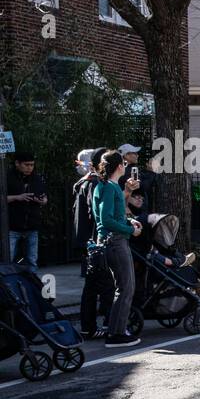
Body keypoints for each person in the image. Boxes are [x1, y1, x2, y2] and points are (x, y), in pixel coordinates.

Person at [91, 150, 143, 348]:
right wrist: (130, 229)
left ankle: (117, 330)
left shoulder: (108, 186)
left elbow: (112, 215)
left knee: (124, 287)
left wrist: (130, 221)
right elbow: (105, 220)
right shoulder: (108, 187)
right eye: (123, 162)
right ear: (120, 166)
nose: (126, 165)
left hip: (114, 240)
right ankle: (116, 333)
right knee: (126, 287)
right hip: (115, 241)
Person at [72, 149, 113, 337]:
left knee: (91, 285)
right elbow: (96, 214)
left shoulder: (83, 183)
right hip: (95, 240)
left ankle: (88, 326)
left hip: (85, 239)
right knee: (106, 284)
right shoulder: (94, 184)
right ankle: (107, 324)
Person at [6, 150, 47, 269]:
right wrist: (18, 197)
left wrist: (41, 200)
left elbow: (45, 198)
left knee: (32, 260)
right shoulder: (7, 178)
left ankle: (32, 284)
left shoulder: (37, 178)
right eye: (27, 165)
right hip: (12, 225)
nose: (30, 168)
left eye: (32, 165)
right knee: (9, 258)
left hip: (32, 224)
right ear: (17, 163)